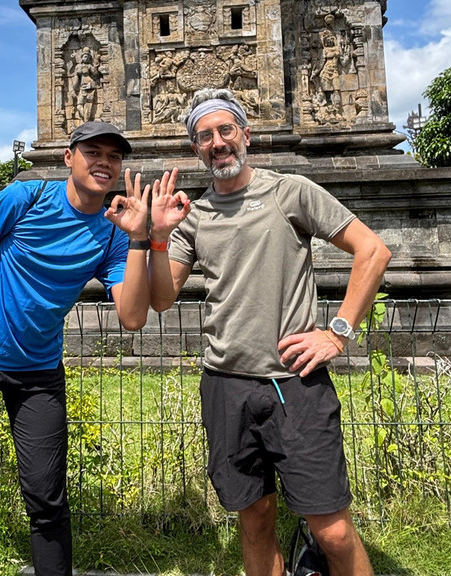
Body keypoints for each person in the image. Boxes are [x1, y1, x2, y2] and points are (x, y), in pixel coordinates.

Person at [137, 88, 391, 576]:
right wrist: (159, 234)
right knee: (254, 519)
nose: (217, 143)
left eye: (225, 130)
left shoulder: (288, 191)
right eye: (204, 136)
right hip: (226, 384)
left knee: (332, 530)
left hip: (293, 385)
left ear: (245, 135)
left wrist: (337, 333)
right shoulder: (196, 217)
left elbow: (373, 251)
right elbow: (162, 297)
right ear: (196, 149)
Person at [0, 121, 154, 576]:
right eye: (92, 152)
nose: (104, 162)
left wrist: (141, 236)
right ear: (68, 157)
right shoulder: (25, 199)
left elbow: (134, 317)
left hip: (38, 374)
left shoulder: (113, 233)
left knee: (46, 500)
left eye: (114, 156)